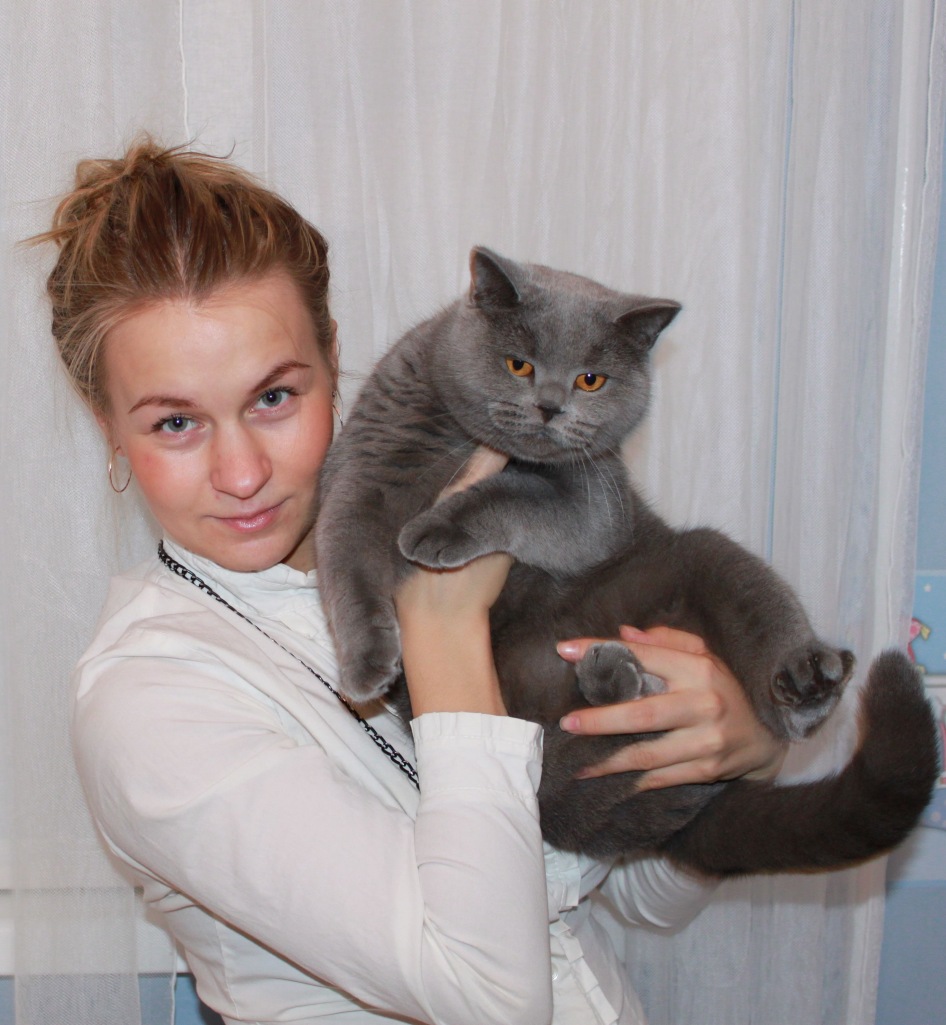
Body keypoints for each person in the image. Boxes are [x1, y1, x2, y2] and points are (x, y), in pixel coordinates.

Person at [39, 139, 785, 1025]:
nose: (242, 473)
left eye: (273, 398)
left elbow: (632, 897)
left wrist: (730, 754)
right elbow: (491, 999)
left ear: (333, 359)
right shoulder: (150, 701)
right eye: (175, 422)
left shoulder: (455, 525)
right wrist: (442, 628)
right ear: (108, 426)